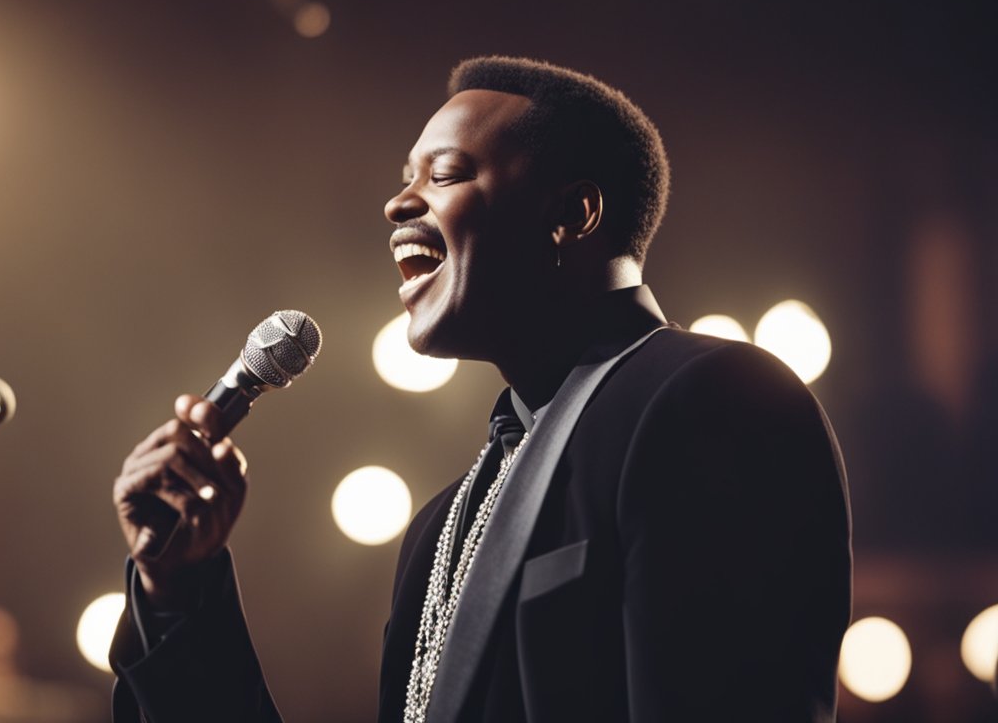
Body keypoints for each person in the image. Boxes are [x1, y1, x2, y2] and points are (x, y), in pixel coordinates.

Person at [108, 56, 852, 722]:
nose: (398, 204)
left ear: (572, 214)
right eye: (406, 177)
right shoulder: (437, 528)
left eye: (444, 173)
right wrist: (180, 590)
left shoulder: (712, 396)